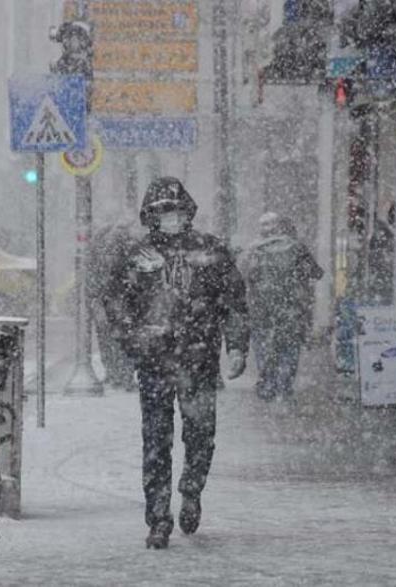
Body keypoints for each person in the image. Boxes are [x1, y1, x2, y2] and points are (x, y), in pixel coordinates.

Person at [110, 177, 249, 550]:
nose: (171, 218)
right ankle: (158, 517)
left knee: (200, 434)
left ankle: (191, 490)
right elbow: (118, 305)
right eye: (162, 212)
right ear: (150, 217)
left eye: (176, 210)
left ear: (188, 212)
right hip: (155, 363)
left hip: (199, 360)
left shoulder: (211, 251)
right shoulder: (137, 256)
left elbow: (234, 302)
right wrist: (132, 341)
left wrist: (236, 346)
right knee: (156, 439)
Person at [243, 212, 323, 401]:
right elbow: (316, 272)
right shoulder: (296, 247)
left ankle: (267, 384)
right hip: (291, 308)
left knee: (263, 348)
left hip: (260, 309)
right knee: (289, 348)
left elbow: (243, 277)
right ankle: (284, 386)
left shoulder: (253, 250)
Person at [89, 220, 137, 390]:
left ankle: (118, 374)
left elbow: (95, 277)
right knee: (117, 339)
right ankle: (120, 375)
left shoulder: (106, 251)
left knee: (112, 339)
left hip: (114, 300)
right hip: (115, 300)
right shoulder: (126, 250)